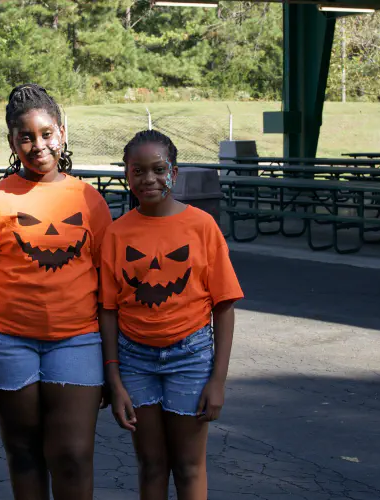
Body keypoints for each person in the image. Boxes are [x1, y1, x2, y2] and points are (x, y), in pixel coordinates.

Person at [0, 83, 113, 500]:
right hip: (7, 344)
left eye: (46, 134)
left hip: (77, 341)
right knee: (24, 454)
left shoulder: (89, 200)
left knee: (74, 456)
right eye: (25, 137)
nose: (37, 145)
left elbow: (108, 288)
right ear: (11, 141)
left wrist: (113, 367)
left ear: (61, 133)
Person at [100, 130, 243, 500]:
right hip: (135, 361)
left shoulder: (202, 227)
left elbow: (224, 305)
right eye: (138, 171)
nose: (149, 179)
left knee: (189, 465)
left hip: (191, 358)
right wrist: (114, 380)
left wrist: (218, 381)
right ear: (127, 176)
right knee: (151, 463)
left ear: (174, 173)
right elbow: (109, 310)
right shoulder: (116, 234)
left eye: (158, 169)